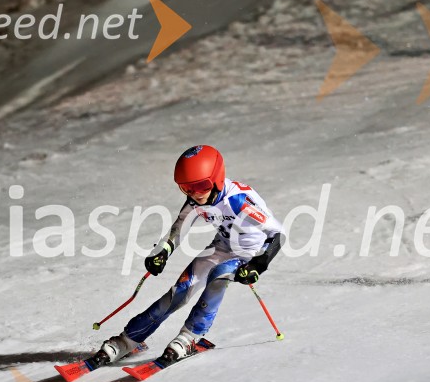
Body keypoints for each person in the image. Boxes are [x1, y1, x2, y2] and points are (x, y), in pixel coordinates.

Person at [88, 145, 285, 367]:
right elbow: (179, 228)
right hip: (221, 246)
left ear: (217, 180)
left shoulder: (238, 200)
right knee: (179, 291)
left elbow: (277, 233)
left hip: (249, 253)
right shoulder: (196, 199)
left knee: (219, 276)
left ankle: (190, 336)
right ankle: (127, 340)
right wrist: (162, 252)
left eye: (201, 185)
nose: (195, 193)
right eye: (187, 188)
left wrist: (259, 263)